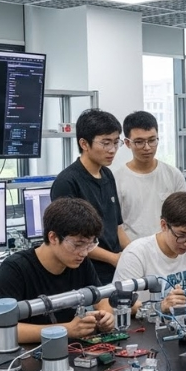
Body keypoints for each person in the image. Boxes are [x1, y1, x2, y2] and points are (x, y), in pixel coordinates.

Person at [0, 198, 116, 371]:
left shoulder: (81, 264)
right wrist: (67, 329)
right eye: (78, 244)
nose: (84, 252)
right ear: (53, 237)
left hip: (69, 367)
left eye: (90, 243)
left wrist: (106, 316)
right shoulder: (16, 268)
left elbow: (102, 299)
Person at [51, 108, 131, 283]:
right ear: (84, 144)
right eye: (105, 143)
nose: (112, 150)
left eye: (116, 142)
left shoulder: (108, 175)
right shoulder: (67, 182)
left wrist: (135, 252)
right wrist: (114, 258)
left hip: (114, 271)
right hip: (85, 273)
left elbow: (116, 227)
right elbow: (71, 241)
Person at [115, 192, 186, 314]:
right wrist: (159, 307)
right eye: (181, 235)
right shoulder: (136, 254)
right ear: (164, 225)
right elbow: (120, 304)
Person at [114, 110, 186, 240]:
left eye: (152, 140)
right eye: (139, 142)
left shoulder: (173, 175)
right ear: (127, 143)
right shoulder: (117, 179)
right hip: (132, 250)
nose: (147, 147)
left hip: (169, 248)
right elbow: (114, 226)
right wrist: (132, 254)